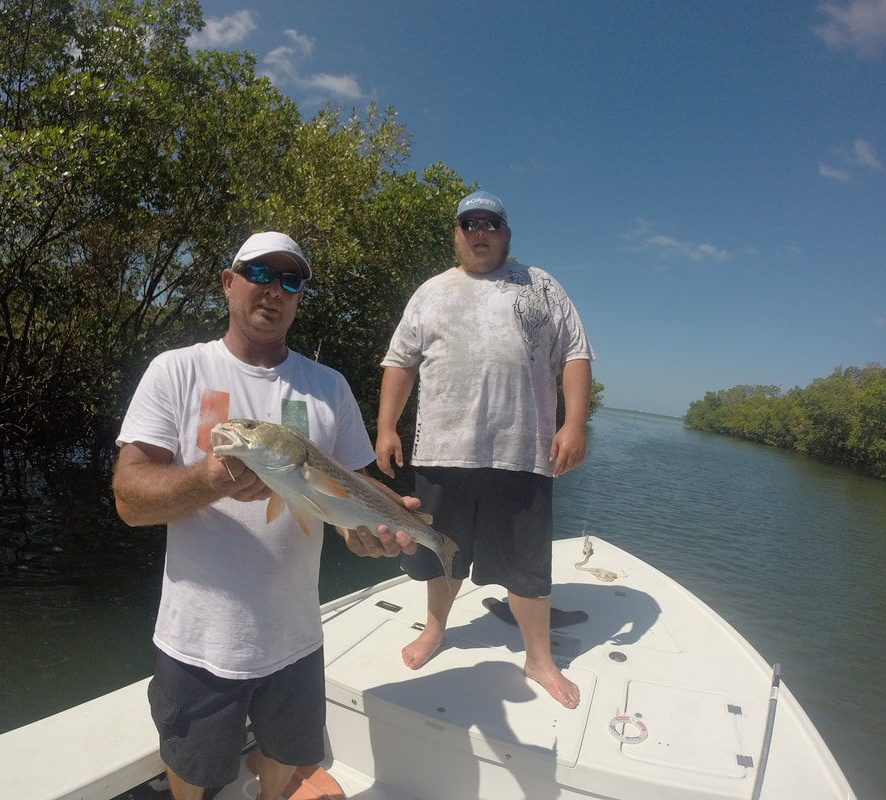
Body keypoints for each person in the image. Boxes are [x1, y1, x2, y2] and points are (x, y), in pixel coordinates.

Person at [112, 231, 417, 800]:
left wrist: (369, 532)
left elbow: (351, 491)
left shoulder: (329, 388)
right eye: (258, 274)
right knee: (194, 777)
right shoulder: (175, 371)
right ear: (228, 283)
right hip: (198, 642)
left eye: (290, 280)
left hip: (296, 638)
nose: (273, 291)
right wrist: (206, 480)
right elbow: (129, 500)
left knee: (284, 762)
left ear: (300, 298)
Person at [374, 190, 595, 710]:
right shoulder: (430, 292)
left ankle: (538, 657)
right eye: (469, 223)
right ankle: (435, 629)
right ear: (456, 234)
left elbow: (576, 354)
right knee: (438, 554)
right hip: (442, 453)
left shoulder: (540, 285)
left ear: (507, 234)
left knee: (528, 564)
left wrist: (576, 422)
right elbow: (400, 363)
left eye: (491, 223)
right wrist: (386, 428)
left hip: (522, 453)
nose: (480, 232)